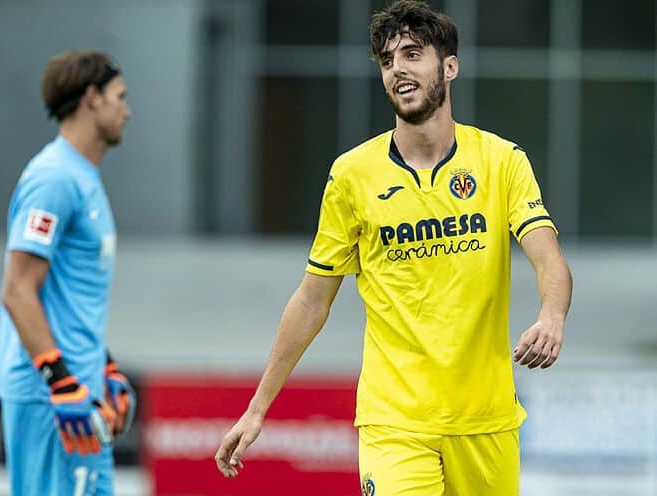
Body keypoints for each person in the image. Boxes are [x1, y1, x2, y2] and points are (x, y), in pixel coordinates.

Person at [215, 1, 572, 494]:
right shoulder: (352, 175)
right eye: (387, 60)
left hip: (487, 423)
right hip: (395, 423)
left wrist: (551, 316)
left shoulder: (502, 161)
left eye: (412, 54)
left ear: (449, 67)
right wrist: (257, 409)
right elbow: (312, 300)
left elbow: (548, 256)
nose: (397, 69)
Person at [0, 51, 136, 496]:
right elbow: (18, 291)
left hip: (80, 392)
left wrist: (104, 366)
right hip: (52, 399)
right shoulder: (54, 178)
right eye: (120, 97)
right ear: (92, 99)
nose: (127, 110)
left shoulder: (83, 177)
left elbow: (69, 298)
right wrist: (62, 381)